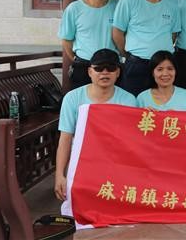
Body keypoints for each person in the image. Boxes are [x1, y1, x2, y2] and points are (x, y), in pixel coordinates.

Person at [54, 49, 137, 201]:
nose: (104, 73)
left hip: (116, 165)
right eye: (99, 68)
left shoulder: (129, 100)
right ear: (90, 72)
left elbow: (131, 142)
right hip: (82, 163)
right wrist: (59, 175)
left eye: (110, 68)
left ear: (118, 72)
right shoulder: (72, 98)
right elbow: (65, 139)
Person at [112, 0, 181, 96]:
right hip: (137, 65)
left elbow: (173, 34)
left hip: (164, 67)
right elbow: (117, 33)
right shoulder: (128, 1)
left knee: (162, 104)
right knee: (134, 105)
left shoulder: (172, 4)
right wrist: (129, 55)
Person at [58, 0, 118, 89]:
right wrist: (77, 60)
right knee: (82, 101)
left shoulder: (119, 8)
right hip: (83, 67)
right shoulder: (74, 9)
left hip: (111, 68)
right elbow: (66, 40)